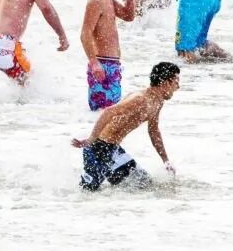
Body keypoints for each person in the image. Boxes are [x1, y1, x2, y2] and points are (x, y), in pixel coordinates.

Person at [74, 62, 181, 191]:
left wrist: (165, 160)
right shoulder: (140, 99)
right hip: (98, 149)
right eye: (176, 81)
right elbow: (109, 112)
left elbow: (154, 131)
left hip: (114, 150)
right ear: (165, 82)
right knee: (87, 193)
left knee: (143, 185)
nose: (178, 86)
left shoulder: (157, 101)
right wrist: (91, 138)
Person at [81, 0, 136, 110]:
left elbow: (129, 16)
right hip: (102, 66)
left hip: (111, 65)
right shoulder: (96, 0)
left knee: (109, 118)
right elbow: (85, 34)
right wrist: (94, 63)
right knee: (105, 118)